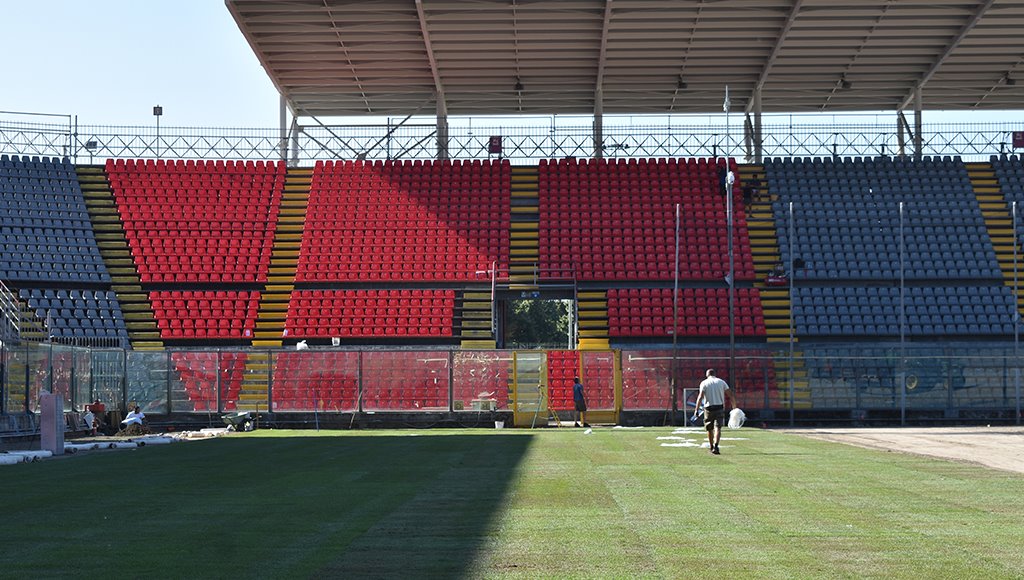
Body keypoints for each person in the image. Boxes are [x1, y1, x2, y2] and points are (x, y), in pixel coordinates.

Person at [694, 369, 733, 455]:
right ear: (715, 374)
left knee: (709, 428)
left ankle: (711, 446)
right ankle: (716, 445)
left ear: (707, 375)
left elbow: (700, 397)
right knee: (718, 428)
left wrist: (696, 409)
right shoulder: (721, 382)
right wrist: (734, 407)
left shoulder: (704, 383)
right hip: (719, 407)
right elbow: (730, 394)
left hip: (708, 408)